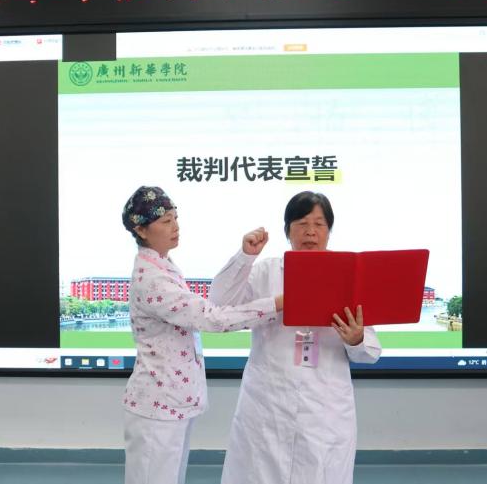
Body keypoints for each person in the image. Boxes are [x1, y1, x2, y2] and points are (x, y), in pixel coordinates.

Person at [211, 191, 381, 484]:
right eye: (301, 223)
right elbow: (220, 303)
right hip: (268, 401)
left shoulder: (348, 276)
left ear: (329, 231)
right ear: (287, 231)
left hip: (324, 408)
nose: (310, 232)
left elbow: (371, 352)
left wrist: (356, 339)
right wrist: (245, 257)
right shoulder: (265, 272)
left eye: (319, 224)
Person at [120, 186, 284, 484]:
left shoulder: (163, 266)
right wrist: (275, 305)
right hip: (158, 405)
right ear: (141, 230)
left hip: (171, 400)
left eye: (175, 217)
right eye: (166, 221)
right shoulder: (153, 279)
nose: (175, 226)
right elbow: (212, 318)